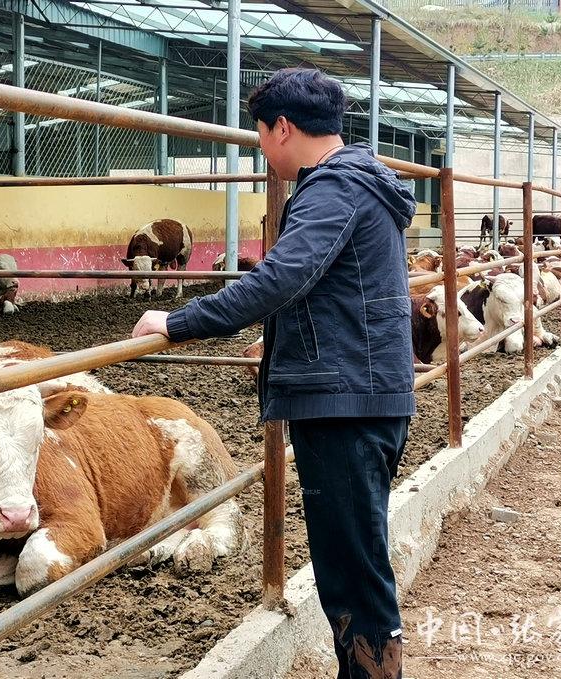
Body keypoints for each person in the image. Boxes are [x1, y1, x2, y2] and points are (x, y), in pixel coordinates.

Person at [131, 68, 415, 679]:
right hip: (364, 391)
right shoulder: (362, 183)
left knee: (354, 571)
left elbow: (281, 277)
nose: (261, 147)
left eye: (260, 133)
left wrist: (179, 321)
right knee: (354, 561)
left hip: (342, 401)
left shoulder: (334, 190)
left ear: (282, 128)